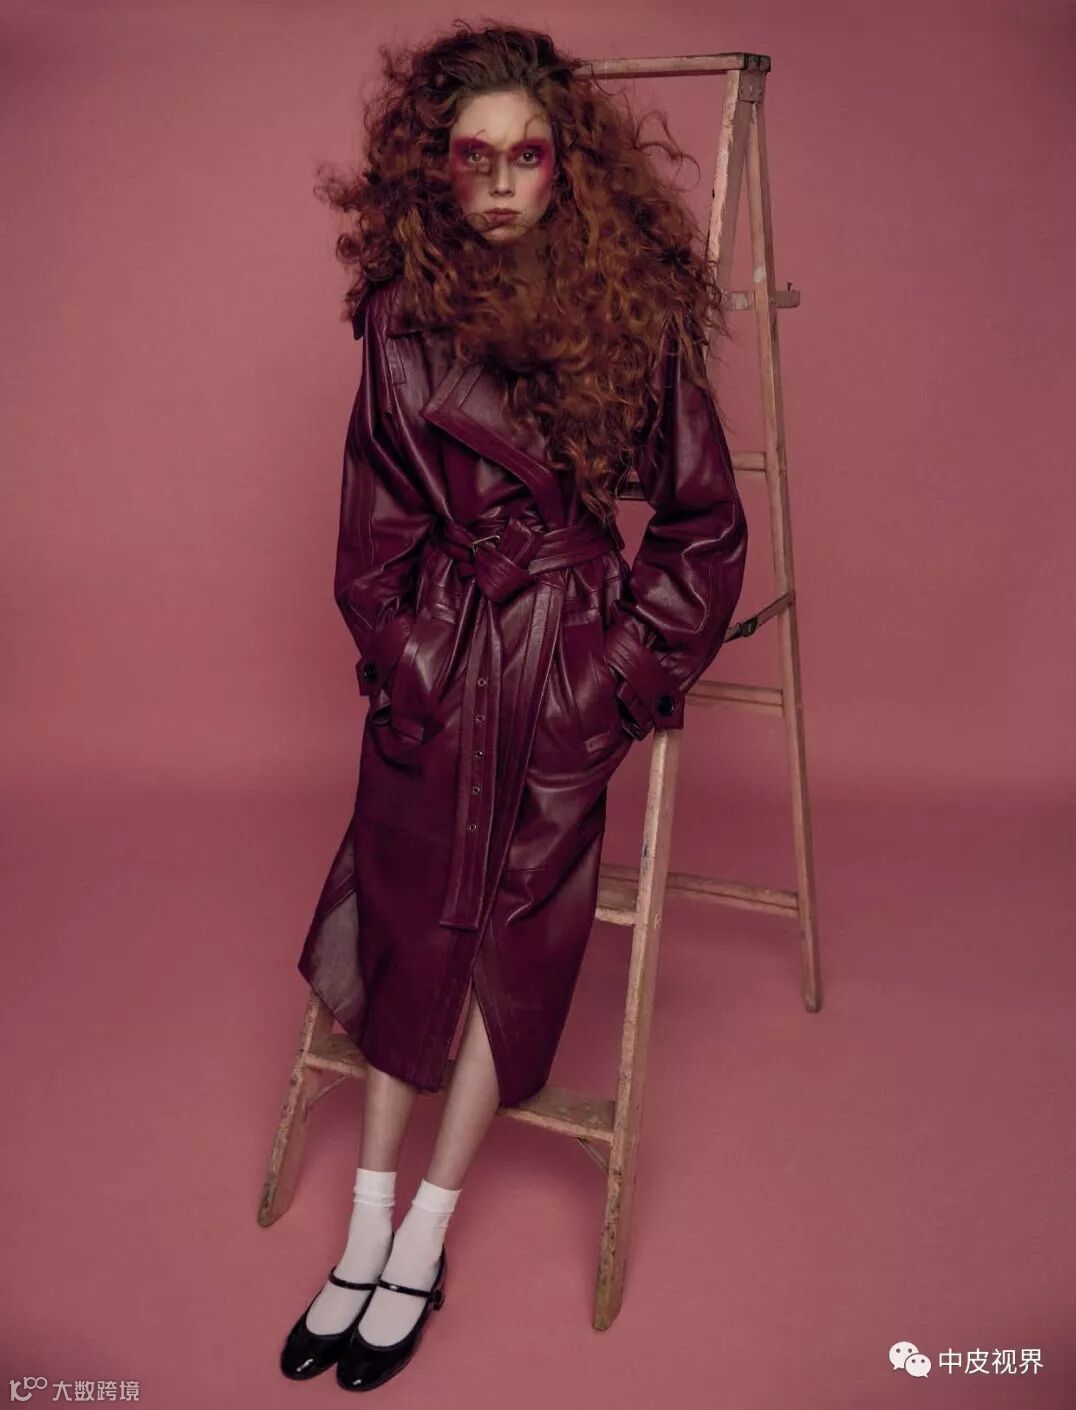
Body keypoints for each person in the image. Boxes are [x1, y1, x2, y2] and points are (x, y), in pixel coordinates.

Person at [280, 20, 748, 1392]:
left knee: (519, 941)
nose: (497, 183)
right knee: (406, 914)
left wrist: (615, 678)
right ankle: (364, 1226)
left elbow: (705, 528)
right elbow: (371, 525)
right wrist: (411, 655)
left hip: (562, 659)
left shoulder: (631, 309)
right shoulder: (400, 315)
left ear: (564, 163)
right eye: (470, 156)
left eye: (525, 155)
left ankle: (424, 1235)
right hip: (443, 655)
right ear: (433, 167)